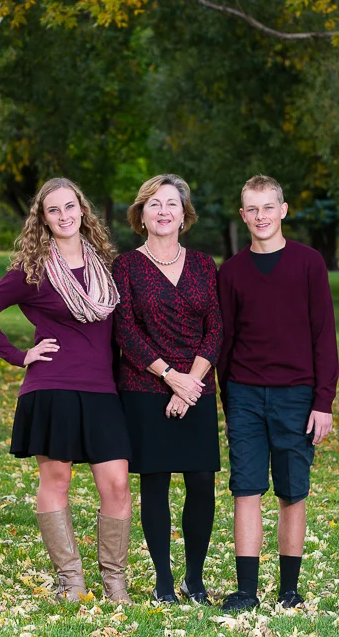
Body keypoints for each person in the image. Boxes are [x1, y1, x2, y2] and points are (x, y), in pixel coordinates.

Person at [0, 177, 133, 604]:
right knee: (56, 481)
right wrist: (20, 355)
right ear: (42, 218)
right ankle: (71, 583)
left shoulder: (106, 267)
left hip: (102, 391)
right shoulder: (33, 270)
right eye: (53, 210)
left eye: (70, 207)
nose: (64, 216)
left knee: (115, 484)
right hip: (53, 386)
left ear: (83, 210)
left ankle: (115, 585)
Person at [217, 175, 338, 612]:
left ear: (283, 210)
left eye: (269, 207)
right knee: (246, 489)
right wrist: (228, 400)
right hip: (245, 394)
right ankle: (246, 591)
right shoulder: (230, 272)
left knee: (292, 491)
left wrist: (323, 401)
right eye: (252, 209)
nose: (261, 216)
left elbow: (324, 335)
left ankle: (289, 590)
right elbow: (224, 343)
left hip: (296, 396)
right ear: (243, 215)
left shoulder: (309, 263)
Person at [112, 174, 222, 605]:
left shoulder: (203, 265)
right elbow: (125, 331)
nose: (163, 211)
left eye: (171, 204)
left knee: (200, 482)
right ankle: (162, 580)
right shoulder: (126, 266)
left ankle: (194, 579)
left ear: (184, 214)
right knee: (154, 483)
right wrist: (169, 377)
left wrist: (189, 383)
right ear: (141, 214)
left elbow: (215, 328)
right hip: (145, 387)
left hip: (197, 388)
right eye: (154, 204)